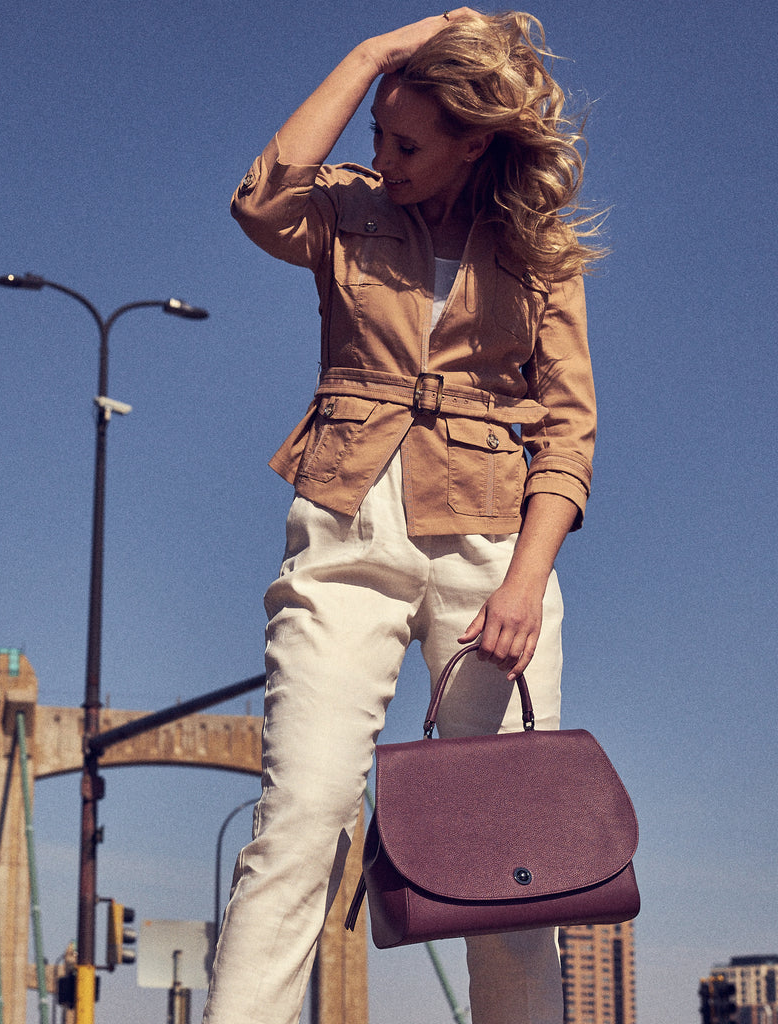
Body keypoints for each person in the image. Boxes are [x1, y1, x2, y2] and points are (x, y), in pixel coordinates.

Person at [205, 9, 601, 1023]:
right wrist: (373, 54)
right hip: (343, 540)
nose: (381, 159)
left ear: (476, 141)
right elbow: (261, 201)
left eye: (407, 143)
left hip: (491, 563)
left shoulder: (537, 250)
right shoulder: (344, 207)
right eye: (377, 133)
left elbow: (566, 434)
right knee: (302, 814)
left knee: (509, 855)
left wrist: (522, 585)